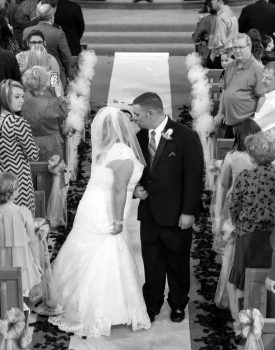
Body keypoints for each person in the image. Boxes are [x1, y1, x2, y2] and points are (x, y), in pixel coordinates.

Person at [48, 107, 151, 337]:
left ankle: (73, 300)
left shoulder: (103, 149)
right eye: (129, 121)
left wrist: (136, 191)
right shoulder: (123, 153)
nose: (133, 123)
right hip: (107, 210)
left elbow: (110, 181)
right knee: (108, 252)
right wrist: (117, 220)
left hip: (92, 204)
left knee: (89, 251)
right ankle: (104, 310)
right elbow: (117, 188)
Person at [133, 92, 204, 323]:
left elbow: (193, 177)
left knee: (177, 263)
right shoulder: (139, 137)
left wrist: (189, 211)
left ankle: (177, 304)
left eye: (137, 114)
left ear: (151, 112)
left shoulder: (185, 136)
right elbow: (137, 171)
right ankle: (152, 304)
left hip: (176, 215)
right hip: (149, 213)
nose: (135, 119)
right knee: (151, 262)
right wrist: (137, 189)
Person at [212, 119, 260, 335]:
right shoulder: (264, 158)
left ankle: (237, 314)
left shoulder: (232, 157)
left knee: (232, 261)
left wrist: (218, 216)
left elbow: (223, 186)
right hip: (259, 218)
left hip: (235, 211)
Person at [229, 131, 275, 307]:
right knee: (264, 278)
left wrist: (237, 223)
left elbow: (234, 207)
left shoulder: (246, 177)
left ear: (251, 154)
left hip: (247, 235)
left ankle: (245, 320)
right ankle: (265, 319)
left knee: (244, 279)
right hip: (271, 237)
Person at [0, 79, 39, 214]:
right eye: (17, 97)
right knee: (22, 223)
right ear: (5, 98)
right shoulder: (17, 122)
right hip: (19, 183)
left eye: (22, 96)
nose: (21, 100)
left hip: (2, 181)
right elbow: (33, 155)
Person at [214, 33, 264, 137]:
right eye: (234, 47)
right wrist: (220, 113)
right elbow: (225, 91)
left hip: (246, 125)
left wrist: (255, 120)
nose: (237, 50)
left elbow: (262, 97)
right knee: (229, 151)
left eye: (241, 47)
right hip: (229, 121)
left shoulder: (257, 69)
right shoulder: (230, 66)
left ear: (249, 46)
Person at [0, 172, 42, 293]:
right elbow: (33, 242)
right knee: (19, 292)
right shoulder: (23, 212)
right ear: (12, 191)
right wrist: (37, 263)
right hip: (20, 262)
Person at [21, 66, 67, 161]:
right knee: (53, 171)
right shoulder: (52, 102)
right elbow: (64, 115)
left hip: (29, 142)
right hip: (51, 143)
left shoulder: (22, 98)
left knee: (31, 171)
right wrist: (59, 96)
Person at [22, 3, 72, 88]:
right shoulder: (58, 33)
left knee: (35, 96)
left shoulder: (26, 31)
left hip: (32, 74)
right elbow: (66, 57)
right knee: (54, 95)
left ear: (37, 16)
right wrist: (67, 74)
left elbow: (24, 51)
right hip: (53, 73)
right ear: (52, 17)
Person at [206, 0, 238, 69]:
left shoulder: (221, 17)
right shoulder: (231, 13)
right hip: (232, 53)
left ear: (219, 1)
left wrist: (212, 56)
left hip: (222, 56)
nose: (211, 2)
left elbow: (219, 41)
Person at [255, 62, 275, 132]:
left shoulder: (271, 103)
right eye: (263, 77)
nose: (263, 81)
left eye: (268, 79)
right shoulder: (266, 98)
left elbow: (255, 128)